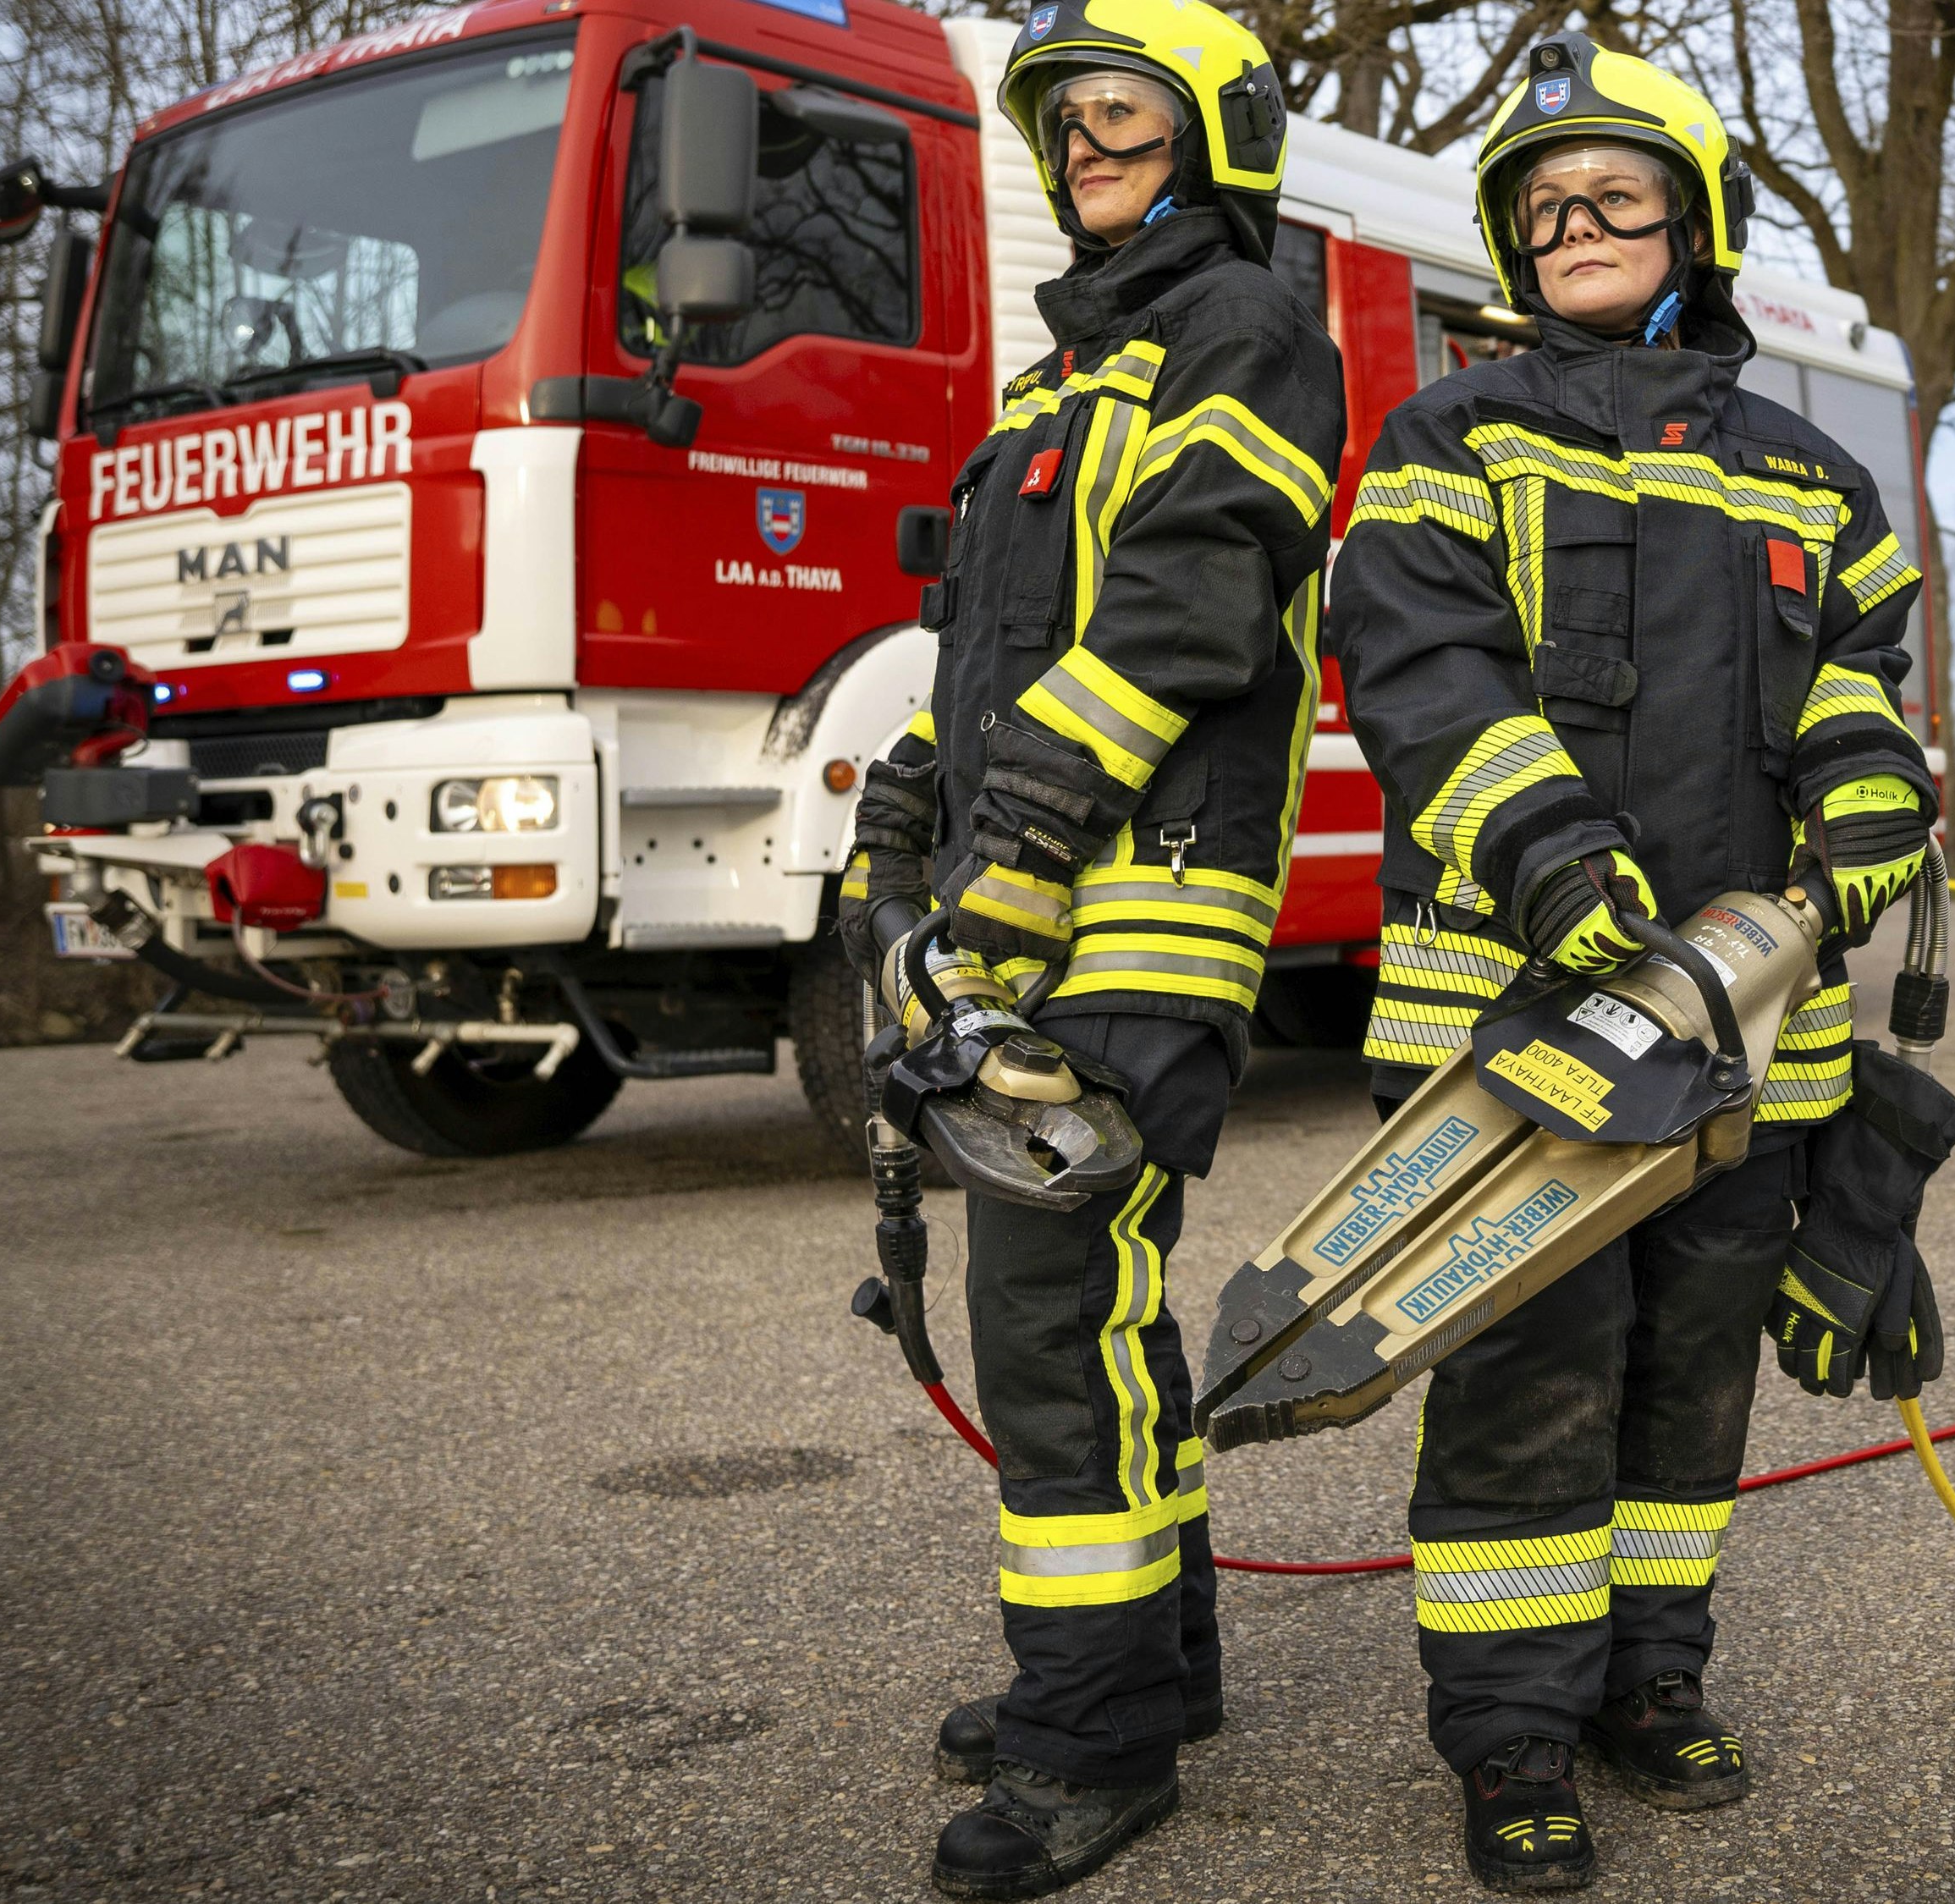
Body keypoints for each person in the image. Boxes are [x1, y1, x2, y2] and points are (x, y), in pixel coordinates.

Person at [1325, 34, 1933, 1891]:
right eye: (1544, 201)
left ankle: (1647, 1679)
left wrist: (1865, 799)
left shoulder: (1813, 481)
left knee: (1690, 1375)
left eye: (1614, 193)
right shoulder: (1448, 439)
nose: (1573, 220)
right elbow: (1420, 675)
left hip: (1754, 1029)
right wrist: (1551, 857)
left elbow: (1854, 688)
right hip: (1525, 1018)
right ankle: (1508, 1736)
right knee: (1527, 1372)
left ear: (1694, 225)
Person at [835, 2, 1343, 1893]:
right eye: (1067, 123)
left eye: (1125, 116)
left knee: (1048, 1324)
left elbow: (1189, 618)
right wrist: (910, 797)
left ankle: (1093, 1743)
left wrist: (1025, 845)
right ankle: (1151, 1664)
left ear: (1215, 134)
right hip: (1029, 902)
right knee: (1095, 1319)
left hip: (1144, 916)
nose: (1088, 145)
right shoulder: (1058, 385)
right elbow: (996, 657)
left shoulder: (1243, 332)